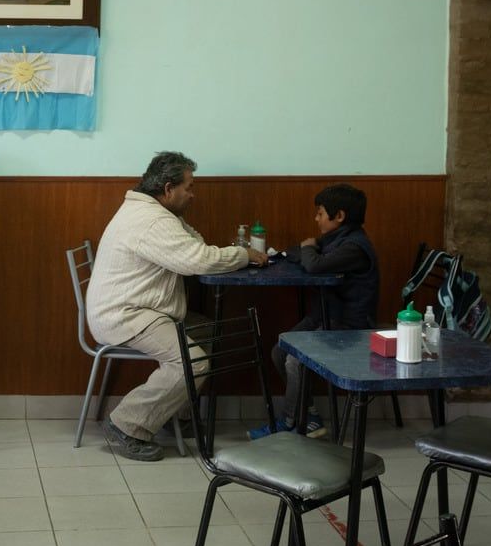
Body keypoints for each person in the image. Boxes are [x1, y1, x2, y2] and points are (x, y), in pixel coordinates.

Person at [86, 152, 268, 461]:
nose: (193, 195)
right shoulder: (151, 221)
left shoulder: (158, 214)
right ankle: (126, 423)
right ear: (169, 189)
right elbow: (196, 260)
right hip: (126, 315)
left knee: (209, 333)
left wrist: (211, 245)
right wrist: (244, 255)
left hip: (140, 309)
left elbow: (194, 246)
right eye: (189, 187)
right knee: (192, 361)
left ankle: (177, 415)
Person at [249, 183, 378, 440]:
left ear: (339, 216)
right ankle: (307, 416)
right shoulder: (338, 239)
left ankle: (289, 421)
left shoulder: (355, 246)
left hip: (349, 326)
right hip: (325, 317)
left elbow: (314, 265)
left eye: (320, 213)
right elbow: (304, 254)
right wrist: (307, 249)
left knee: (296, 360)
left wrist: (309, 249)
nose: (316, 218)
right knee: (280, 349)